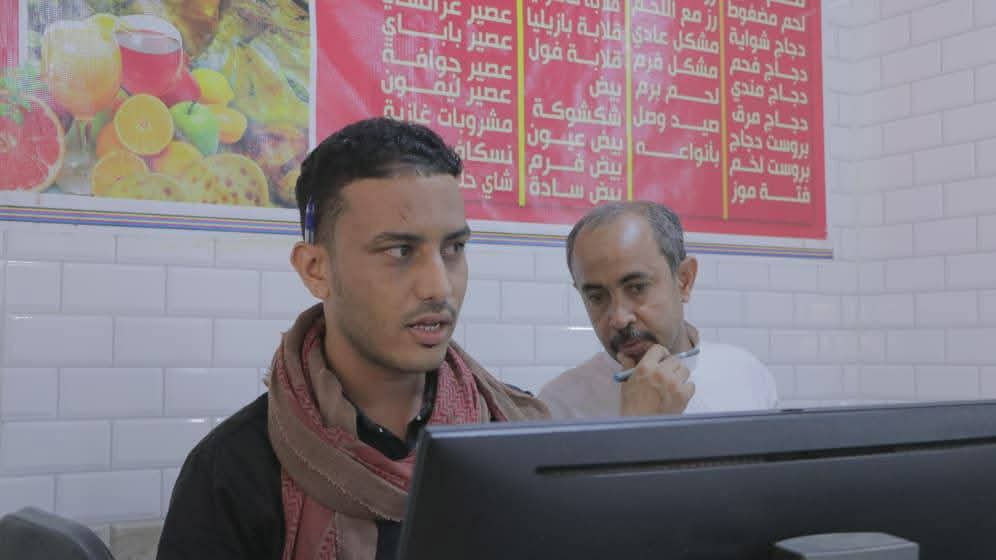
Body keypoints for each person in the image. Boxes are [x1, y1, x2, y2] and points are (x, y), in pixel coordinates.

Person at [157, 118, 548, 560]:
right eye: (400, 251)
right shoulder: (234, 471)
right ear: (316, 270)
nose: (439, 286)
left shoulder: (512, 436)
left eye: (453, 249)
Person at [539, 201, 777, 419]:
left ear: (684, 280)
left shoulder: (747, 374)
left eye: (637, 287)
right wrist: (637, 422)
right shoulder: (559, 406)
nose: (619, 318)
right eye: (596, 297)